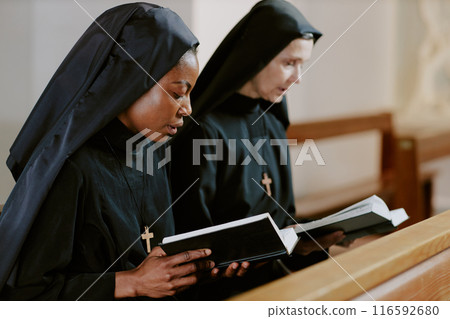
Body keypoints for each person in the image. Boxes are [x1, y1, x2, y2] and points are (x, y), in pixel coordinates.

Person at [0, 3, 216, 300]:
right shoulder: (72, 168)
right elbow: (27, 295)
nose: (187, 109)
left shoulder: (152, 153)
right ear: (130, 82)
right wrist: (131, 283)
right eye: (178, 93)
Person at [171, 0, 347, 299]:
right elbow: (193, 233)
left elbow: (281, 215)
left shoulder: (273, 119)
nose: (298, 77)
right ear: (256, 56)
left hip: (274, 274)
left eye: (302, 65)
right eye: (289, 63)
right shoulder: (205, 128)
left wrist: (305, 238)